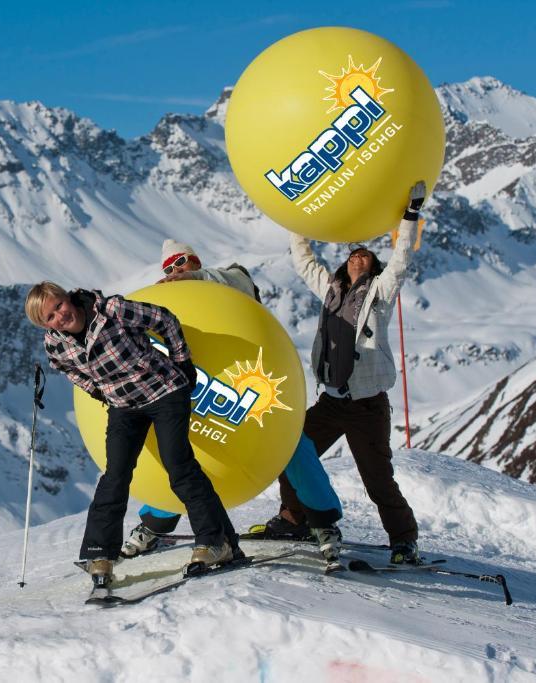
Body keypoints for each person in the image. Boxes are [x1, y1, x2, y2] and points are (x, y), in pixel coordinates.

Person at [121, 241, 345, 567]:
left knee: (292, 445)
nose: (174, 272)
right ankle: (155, 524)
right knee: (180, 452)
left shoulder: (226, 281)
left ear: (195, 260)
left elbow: (240, 281)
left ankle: (324, 523)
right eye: (168, 269)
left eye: (180, 263)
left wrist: (194, 279)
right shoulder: (176, 304)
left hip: (255, 388)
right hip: (204, 393)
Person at [24, 282, 242, 586]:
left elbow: (165, 319)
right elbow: (66, 368)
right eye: (50, 316)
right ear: (44, 324)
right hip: (124, 405)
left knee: (178, 466)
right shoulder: (55, 343)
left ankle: (216, 542)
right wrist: (98, 390)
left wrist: (183, 362)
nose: (60, 316)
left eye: (59, 305)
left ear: (67, 297)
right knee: (115, 475)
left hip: (164, 391)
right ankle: (100, 554)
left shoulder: (111, 310)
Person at [259, 181, 427, 565]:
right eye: (354, 255)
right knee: (291, 452)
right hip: (331, 401)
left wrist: (410, 216)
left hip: (367, 406)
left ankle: (404, 541)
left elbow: (401, 262)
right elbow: (304, 262)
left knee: (377, 480)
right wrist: (295, 221)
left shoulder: (380, 295)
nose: (358, 259)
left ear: (373, 267)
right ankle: (295, 518)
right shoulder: (331, 290)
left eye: (365, 257)